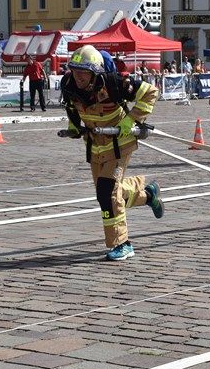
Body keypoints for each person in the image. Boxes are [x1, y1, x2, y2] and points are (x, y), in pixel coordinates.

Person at [60, 44, 163, 261]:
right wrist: (74, 127)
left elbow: (151, 93)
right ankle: (148, 195)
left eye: (84, 72)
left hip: (119, 143)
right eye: (75, 71)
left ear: (95, 72)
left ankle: (122, 243)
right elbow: (71, 107)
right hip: (95, 145)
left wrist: (130, 119)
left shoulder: (115, 84)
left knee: (106, 192)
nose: (78, 77)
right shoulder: (68, 84)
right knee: (109, 193)